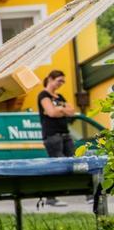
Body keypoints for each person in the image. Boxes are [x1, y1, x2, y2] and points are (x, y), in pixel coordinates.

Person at [38, 68, 79, 207]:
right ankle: (51, 197)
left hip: (65, 134)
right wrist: (62, 110)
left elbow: (72, 112)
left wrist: (59, 109)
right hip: (52, 135)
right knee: (57, 165)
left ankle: (88, 194)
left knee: (76, 162)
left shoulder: (59, 97)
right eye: (59, 81)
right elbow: (51, 113)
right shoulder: (43, 95)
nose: (61, 84)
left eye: (63, 82)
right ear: (50, 79)